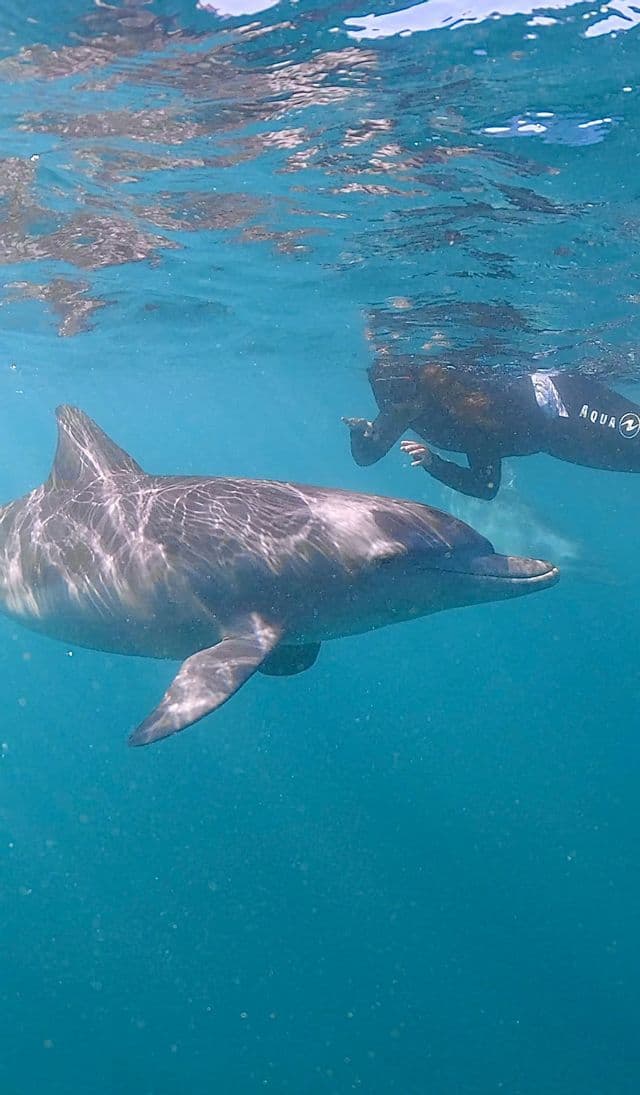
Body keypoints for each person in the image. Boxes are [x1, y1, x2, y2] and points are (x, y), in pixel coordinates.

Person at [343, 356, 640, 500]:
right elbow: (368, 455)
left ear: (419, 390)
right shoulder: (400, 409)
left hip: (564, 400)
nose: (391, 407)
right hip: (556, 439)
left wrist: (435, 464)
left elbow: (485, 488)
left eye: (397, 395)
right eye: (384, 395)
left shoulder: (466, 415)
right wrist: (359, 433)